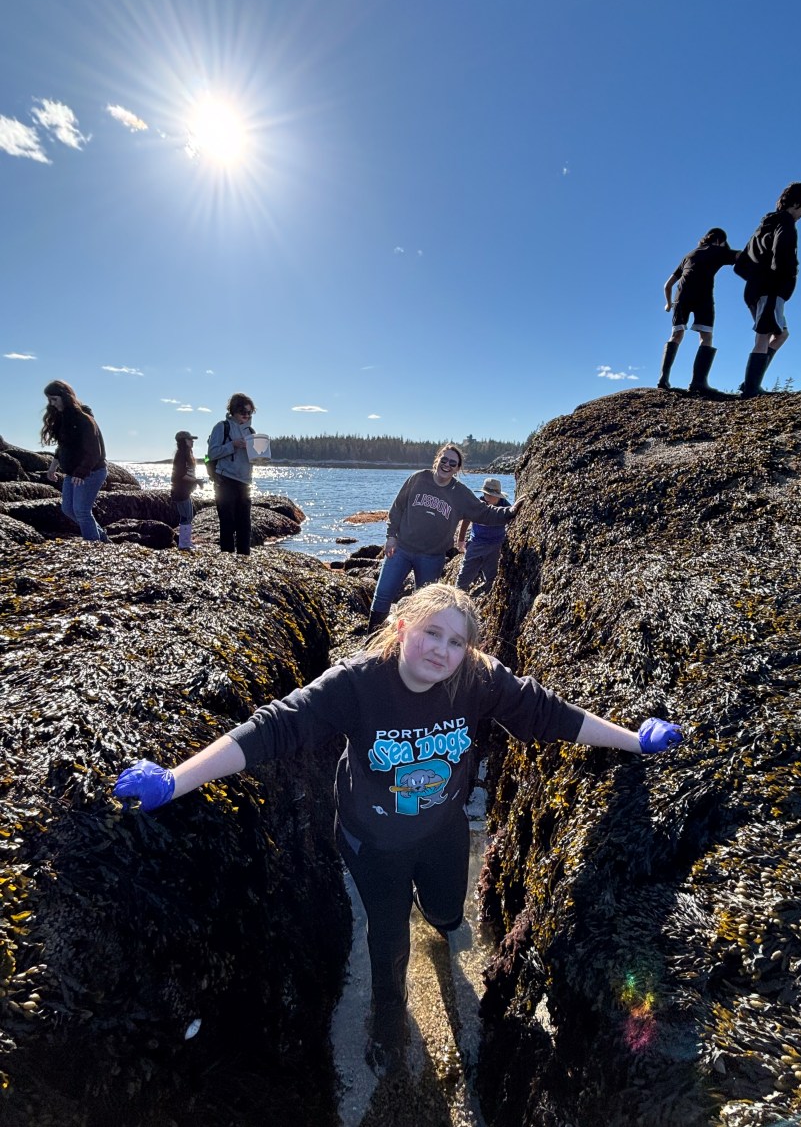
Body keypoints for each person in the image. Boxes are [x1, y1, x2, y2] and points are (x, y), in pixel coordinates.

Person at [113, 583, 683, 1076]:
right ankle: (389, 1017)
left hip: (442, 831)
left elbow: (550, 713)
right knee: (387, 940)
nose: (443, 650)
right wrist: (175, 779)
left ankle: (443, 925)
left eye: (457, 642)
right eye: (433, 633)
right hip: (372, 844)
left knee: (447, 913)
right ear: (403, 625)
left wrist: (635, 740)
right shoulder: (356, 684)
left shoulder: (477, 680)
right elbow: (271, 729)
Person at [366, 444, 524, 634]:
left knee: (424, 605)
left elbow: (484, 512)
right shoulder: (418, 479)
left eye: (453, 463)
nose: (447, 465)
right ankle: (371, 640)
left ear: (458, 469)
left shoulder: (460, 493)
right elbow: (397, 508)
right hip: (402, 550)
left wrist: (510, 511)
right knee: (382, 596)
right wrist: (391, 536)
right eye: (444, 460)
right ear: (437, 460)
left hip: (432, 558)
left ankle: (414, 642)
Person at [734, 182, 801, 398]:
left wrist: (755, 279)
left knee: (781, 334)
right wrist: (784, 281)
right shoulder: (786, 223)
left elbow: (740, 265)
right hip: (770, 288)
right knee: (764, 337)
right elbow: (782, 256)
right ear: (796, 203)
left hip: (754, 289)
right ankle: (751, 389)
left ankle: (751, 382)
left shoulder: (762, 227)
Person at [659, 228, 739, 396]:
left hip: (681, 297)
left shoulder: (688, 255)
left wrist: (668, 304)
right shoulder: (718, 250)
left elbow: (667, 285)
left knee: (676, 335)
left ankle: (663, 379)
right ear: (719, 241)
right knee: (706, 337)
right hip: (703, 297)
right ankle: (698, 382)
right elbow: (741, 256)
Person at [41, 380, 109, 543]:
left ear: (65, 396)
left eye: (54, 399)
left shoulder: (83, 419)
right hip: (73, 473)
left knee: (81, 511)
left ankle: (94, 546)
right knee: (68, 509)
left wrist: (82, 472)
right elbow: (63, 447)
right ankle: (103, 540)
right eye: (49, 400)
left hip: (92, 472)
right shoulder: (63, 418)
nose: (51, 404)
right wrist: (53, 467)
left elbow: (94, 451)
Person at [207, 393, 257, 555]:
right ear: (233, 410)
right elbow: (212, 453)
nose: (246, 415)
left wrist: (260, 457)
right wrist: (232, 445)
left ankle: (244, 559)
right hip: (225, 480)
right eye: (242, 410)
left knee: (245, 525)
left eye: (249, 412)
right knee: (227, 523)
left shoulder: (251, 431)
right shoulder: (222, 427)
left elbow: (252, 458)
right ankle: (227, 559)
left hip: (245, 482)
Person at [455, 477, 512, 596]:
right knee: (464, 575)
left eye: (492, 495)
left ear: (499, 496)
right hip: (476, 543)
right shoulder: (478, 504)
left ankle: (486, 595)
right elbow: (466, 520)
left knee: (492, 576)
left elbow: (513, 521)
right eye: (486, 495)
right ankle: (457, 598)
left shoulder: (506, 506)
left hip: (495, 546)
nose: (488, 498)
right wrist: (461, 540)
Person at [171, 430, 203, 551]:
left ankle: (186, 542)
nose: (192, 441)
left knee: (187, 516)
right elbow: (180, 475)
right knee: (186, 517)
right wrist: (195, 480)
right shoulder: (181, 455)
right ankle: (184, 543)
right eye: (190, 439)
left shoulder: (185, 454)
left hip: (184, 491)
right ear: (183, 441)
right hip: (180, 491)